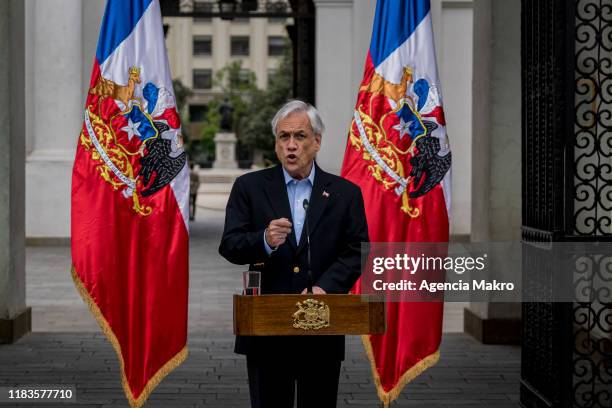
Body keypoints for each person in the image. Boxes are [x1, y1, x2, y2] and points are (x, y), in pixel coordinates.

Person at [219, 100, 369, 408]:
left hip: (321, 329)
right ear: (275, 144)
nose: (291, 146)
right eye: (283, 137)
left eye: (299, 137)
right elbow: (230, 244)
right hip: (266, 331)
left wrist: (324, 288)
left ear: (317, 141)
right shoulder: (249, 187)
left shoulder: (345, 193)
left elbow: (356, 251)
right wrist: (264, 240)